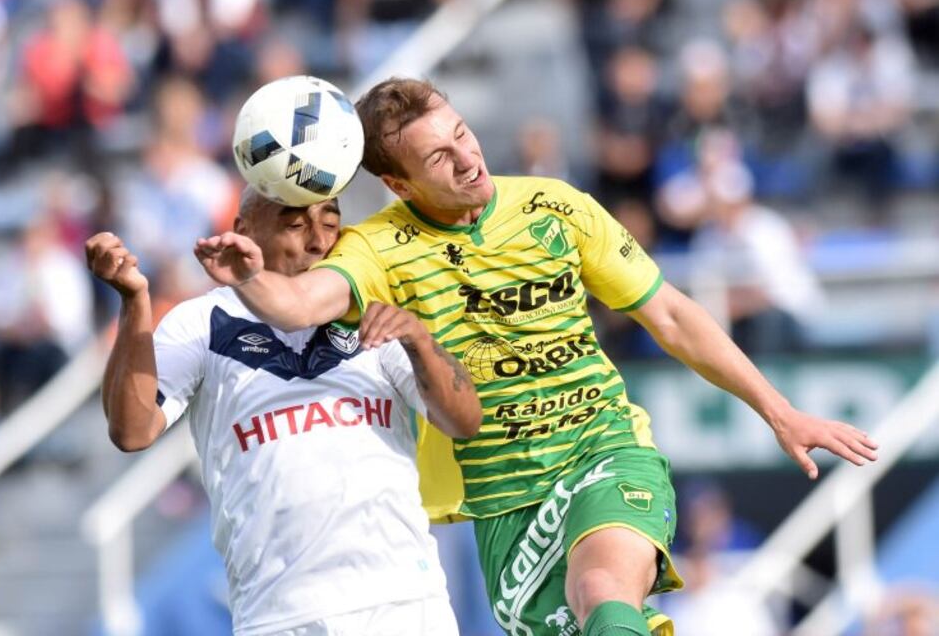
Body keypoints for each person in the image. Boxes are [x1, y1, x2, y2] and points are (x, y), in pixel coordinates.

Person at [195, 78, 879, 636]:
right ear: (401, 187)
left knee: (601, 588)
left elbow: (670, 314)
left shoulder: (556, 207)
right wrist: (249, 278)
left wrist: (779, 410)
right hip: (503, 503)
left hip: (603, 447)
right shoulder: (374, 249)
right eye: (439, 159)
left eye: (462, 134)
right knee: (596, 617)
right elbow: (297, 305)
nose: (468, 158)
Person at [87, 186, 482, 636]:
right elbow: (132, 430)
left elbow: (465, 421)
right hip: (278, 615)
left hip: (403, 603)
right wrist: (134, 302)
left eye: (330, 222)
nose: (318, 240)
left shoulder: (375, 307)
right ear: (244, 231)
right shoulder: (202, 321)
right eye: (295, 224)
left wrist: (418, 340)